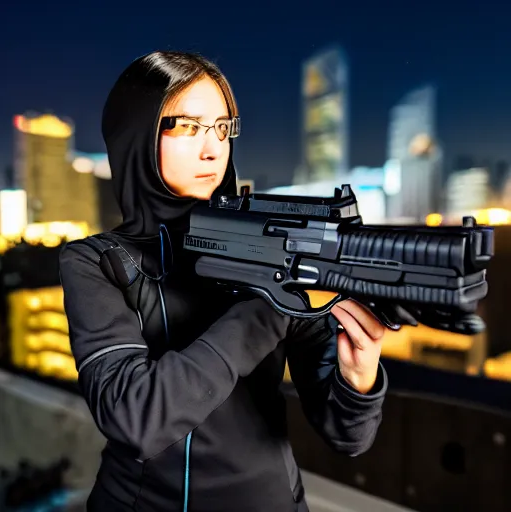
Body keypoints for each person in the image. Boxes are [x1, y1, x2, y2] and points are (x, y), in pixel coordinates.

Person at [59, 50, 389, 512]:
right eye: (188, 127)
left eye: (221, 127)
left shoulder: (276, 241)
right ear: (136, 133)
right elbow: (135, 420)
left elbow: (348, 436)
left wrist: (358, 379)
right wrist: (271, 303)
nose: (212, 148)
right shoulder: (97, 261)